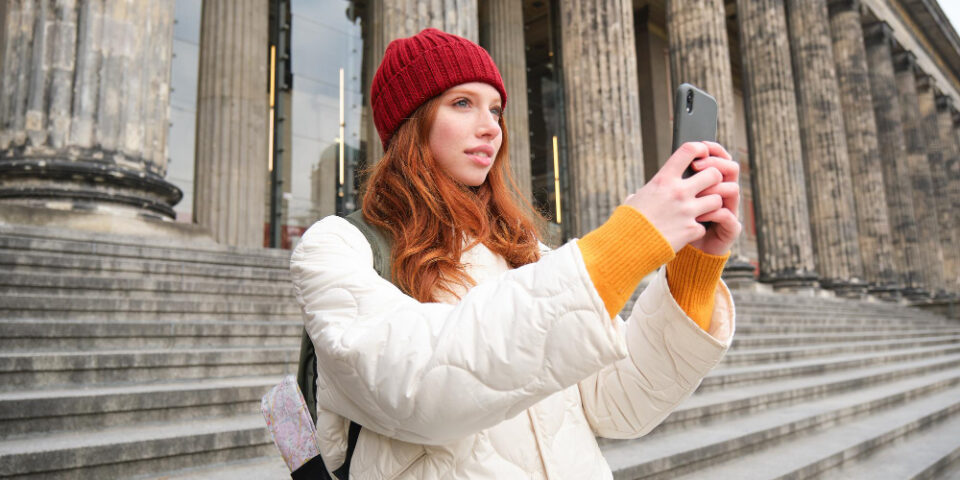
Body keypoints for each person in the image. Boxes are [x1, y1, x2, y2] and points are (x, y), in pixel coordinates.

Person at [291, 27, 740, 479]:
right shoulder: (337, 246)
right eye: (462, 103)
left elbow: (619, 404)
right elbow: (419, 386)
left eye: (495, 109)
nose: (491, 127)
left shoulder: (527, 252)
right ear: (411, 120)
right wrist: (628, 241)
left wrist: (692, 273)